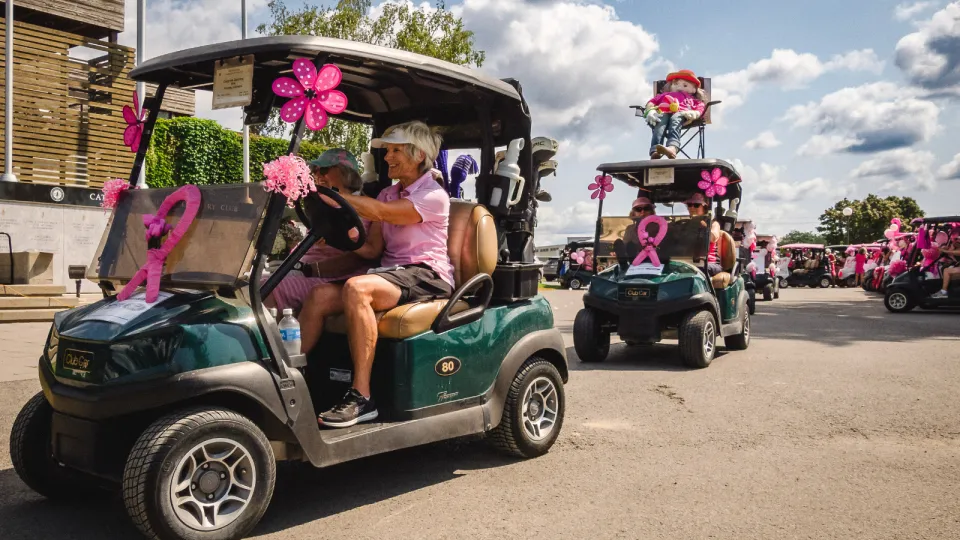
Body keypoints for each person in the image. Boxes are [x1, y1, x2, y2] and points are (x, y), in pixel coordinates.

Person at [298, 121, 454, 428]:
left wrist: (322, 193)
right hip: (391, 272)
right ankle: (290, 380)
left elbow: (381, 214)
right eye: (388, 150)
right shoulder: (386, 193)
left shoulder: (434, 196)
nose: (387, 157)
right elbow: (371, 250)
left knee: (358, 289)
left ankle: (362, 397)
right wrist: (335, 235)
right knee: (318, 295)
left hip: (426, 273)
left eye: (396, 150)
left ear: (418, 155)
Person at [265, 149, 373, 313]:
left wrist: (307, 269)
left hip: (332, 277)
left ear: (346, 173)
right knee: (249, 285)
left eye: (323, 170)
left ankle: (277, 336)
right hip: (304, 269)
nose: (317, 174)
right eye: (315, 170)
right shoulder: (319, 203)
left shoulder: (365, 210)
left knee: (268, 289)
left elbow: (357, 258)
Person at [684, 193, 722, 276]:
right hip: (687, 261)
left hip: (708, 263)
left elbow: (713, 237)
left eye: (696, 205)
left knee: (692, 270)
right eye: (689, 205)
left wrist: (702, 224)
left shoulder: (714, 224)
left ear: (704, 207)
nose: (692, 207)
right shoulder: (685, 224)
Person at [616, 196, 656, 262]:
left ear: (651, 212)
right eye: (638, 209)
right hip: (634, 263)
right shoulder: (630, 229)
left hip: (655, 262)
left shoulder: (658, 227)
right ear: (633, 213)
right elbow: (626, 249)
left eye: (646, 208)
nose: (642, 212)